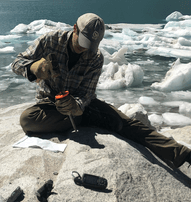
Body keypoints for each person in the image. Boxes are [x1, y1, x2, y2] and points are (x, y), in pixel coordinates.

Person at [11, 13, 191, 169]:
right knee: (28, 120)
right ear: (75, 29)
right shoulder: (50, 41)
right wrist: (34, 67)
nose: (85, 48)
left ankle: (182, 154)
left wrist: (77, 106)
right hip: (50, 104)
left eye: (90, 44)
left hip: (83, 105)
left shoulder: (95, 57)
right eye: (83, 41)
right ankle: (85, 120)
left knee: (127, 125)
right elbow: (17, 63)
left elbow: (87, 93)